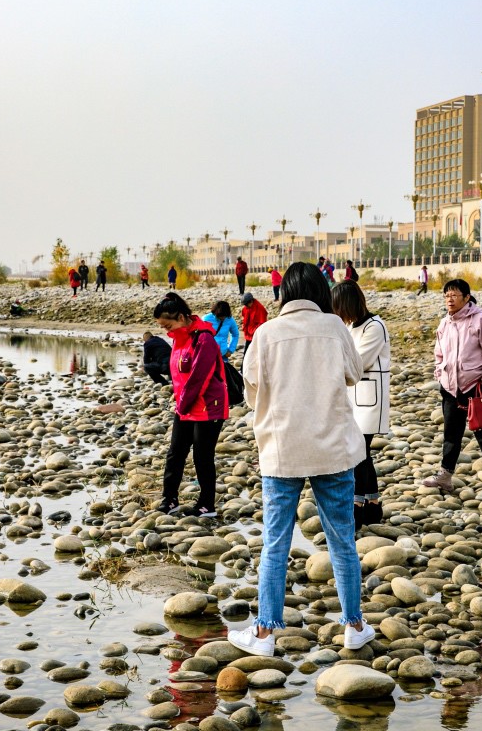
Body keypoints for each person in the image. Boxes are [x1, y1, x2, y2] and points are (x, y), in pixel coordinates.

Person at [231, 262, 375, 656]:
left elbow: (251, 391)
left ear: (285, 293)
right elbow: (354, 374)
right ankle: (354, 625)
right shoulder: (334, 327)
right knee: (342, 540)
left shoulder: (266, 333)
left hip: (283, 451)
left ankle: (264, 633)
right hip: (333, 449)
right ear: (320, 292)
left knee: (275, 543)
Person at [422, 279, 482, 492]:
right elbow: (438, 352)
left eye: (454, 295)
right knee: (451, 433)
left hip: (475, 385)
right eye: (446, 295)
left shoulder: (480, 320)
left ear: (466, 297)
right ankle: (445, 476)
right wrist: (439, 372)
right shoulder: (444, 323)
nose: (449, 299)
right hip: (450, 387)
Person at [154, 292, 229, 517]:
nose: (166, 331)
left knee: (202, 456)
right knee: (175, 453)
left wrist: (183, 404)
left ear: (181, 317)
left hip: (208, 406)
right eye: (163, 327)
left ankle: (207, 504)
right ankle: (169, 499)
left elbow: (199, 378)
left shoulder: (204, 339)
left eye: (168, 326)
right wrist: (179, 401)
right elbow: (179, 374)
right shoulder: (179, 339)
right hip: (186, 404)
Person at [331, 281, 389, 529]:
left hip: (369, 399)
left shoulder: (375, 326)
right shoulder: (352, 326)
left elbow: (359, 361)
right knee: (362, 453)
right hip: (355, 397)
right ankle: (372, 504)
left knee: (358, 452)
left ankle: (357, 505)